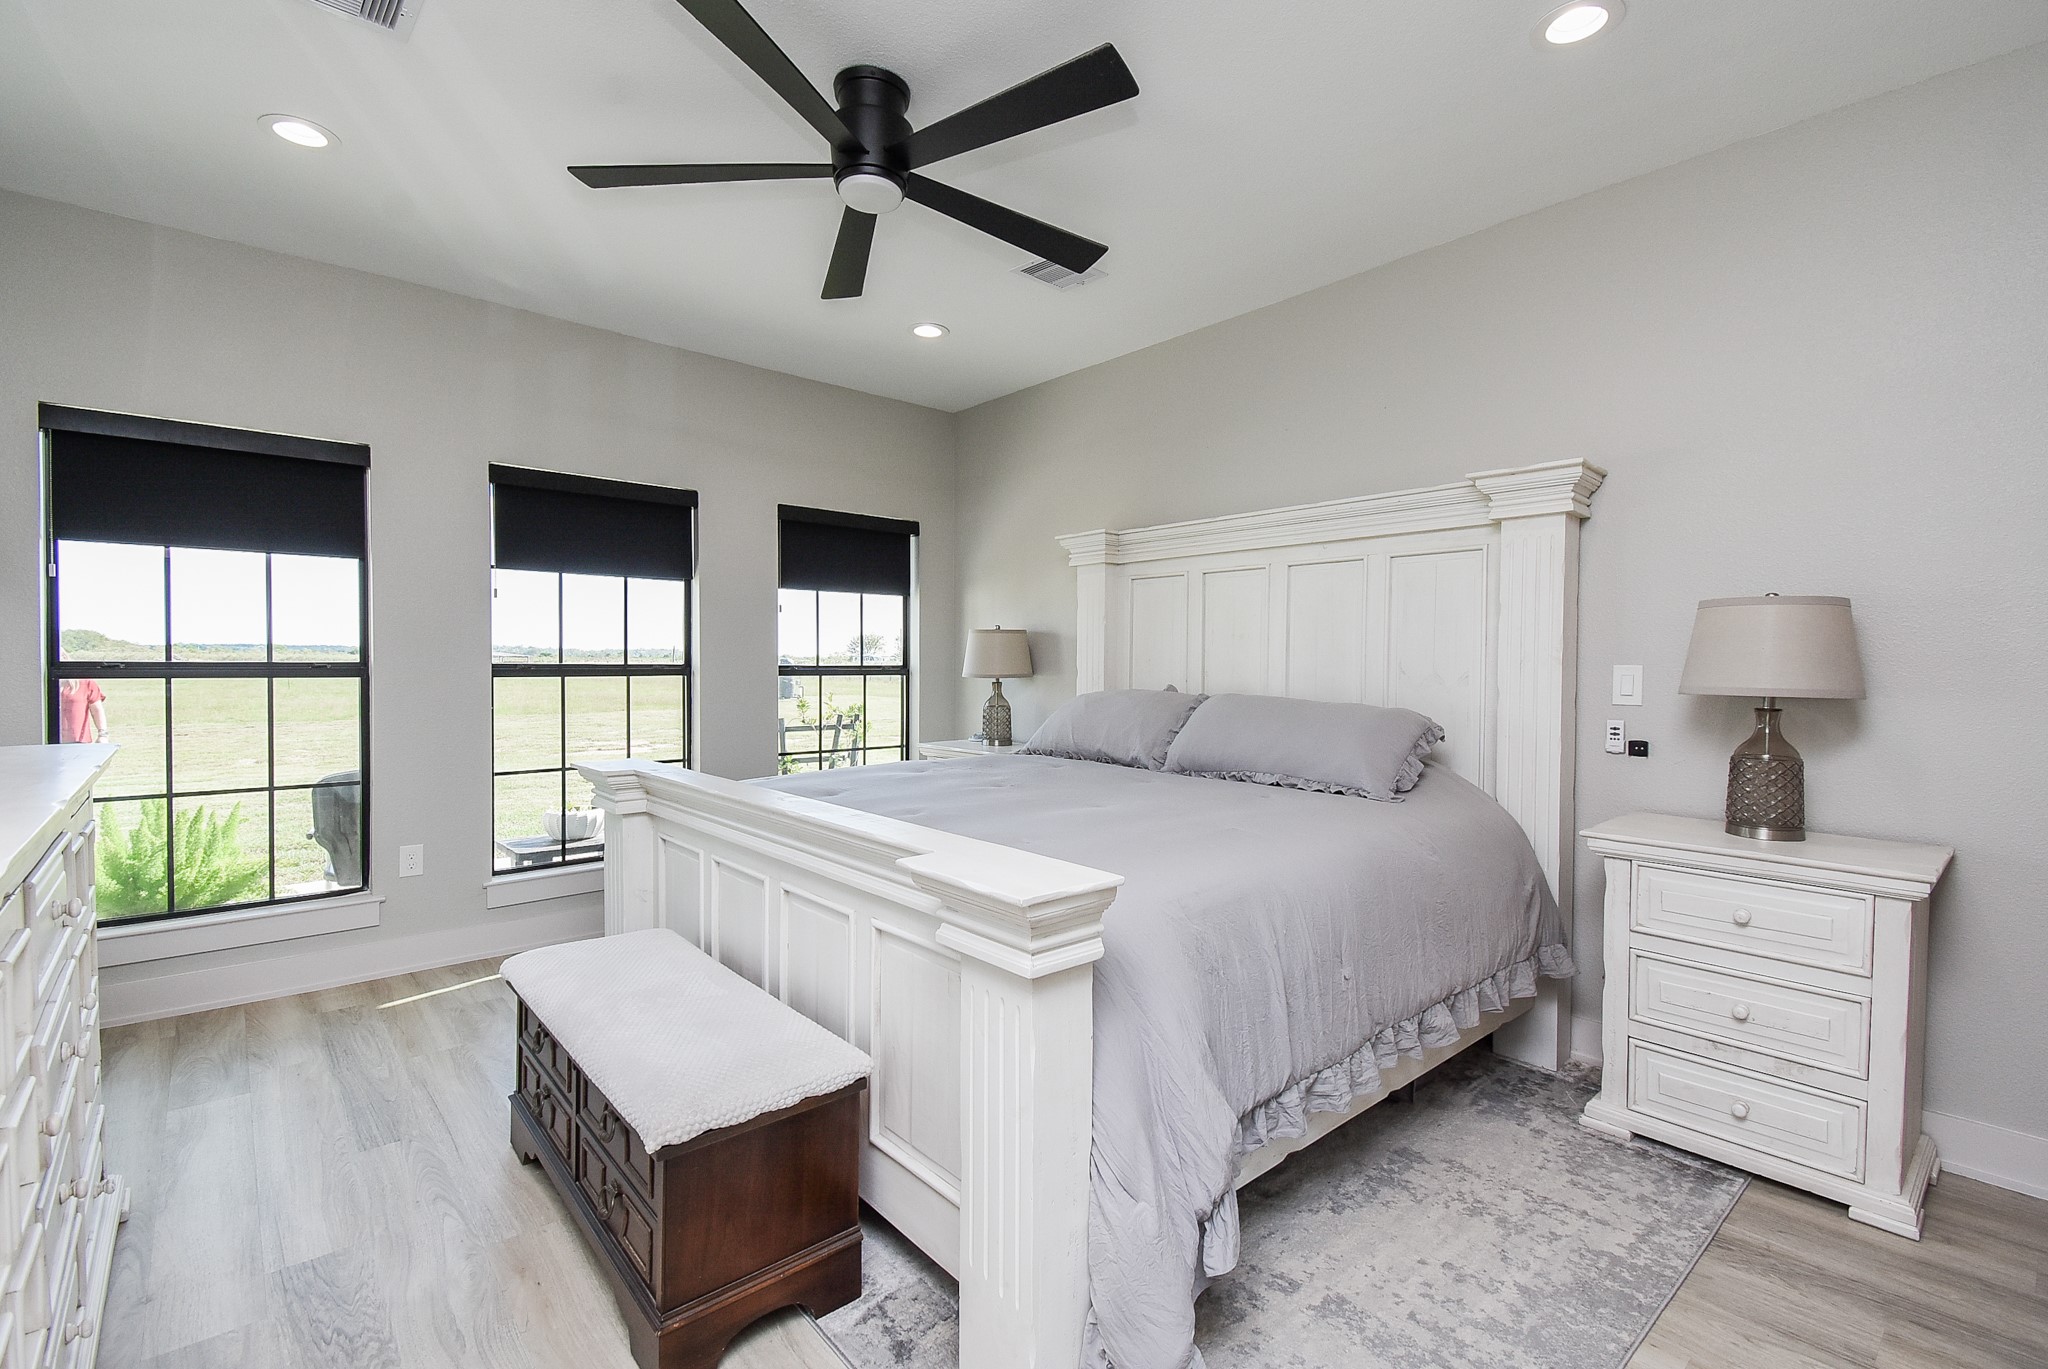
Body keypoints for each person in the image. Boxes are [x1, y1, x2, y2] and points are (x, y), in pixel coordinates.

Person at [58, 678, 109, 744]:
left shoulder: (87, 683)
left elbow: (97, 710)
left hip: (79, 741)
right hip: (50, 740)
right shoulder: (44, 684)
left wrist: (102, 735)